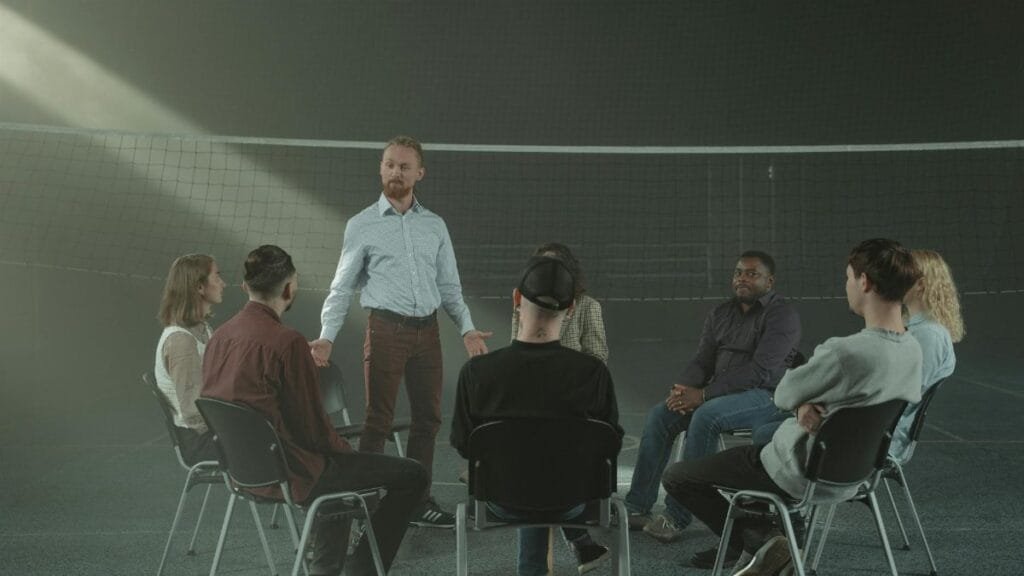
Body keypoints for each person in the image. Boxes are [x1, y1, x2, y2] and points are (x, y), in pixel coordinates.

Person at [662, 238, 924, 576]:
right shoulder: (913, 351)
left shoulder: (844, 352)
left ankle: (768, 546)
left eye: (847, 278)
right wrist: (808, 403)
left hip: (796, 469)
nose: (847, 286)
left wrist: (800, 402)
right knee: (754, 460)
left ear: (864, 282)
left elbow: (783, 393)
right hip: (857, 474)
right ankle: (768, 547)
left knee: (679, 477)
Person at [202, 245, 428, 576]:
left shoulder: (218, 338)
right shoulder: (287, 342)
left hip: (243, 472)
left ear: (245, 288)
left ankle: (330, 566)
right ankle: (361, 569)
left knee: (337, 482)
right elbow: (313, 431)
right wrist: (345, 451)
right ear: (290, 287)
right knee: (413, 474)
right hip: (292, 472)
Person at [309, 136, 492, 527]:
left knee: (428, 421)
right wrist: (327, 335)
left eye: (405, 166)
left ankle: (416, 502)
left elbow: (450, 287)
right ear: (381, 168)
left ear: (419, 174)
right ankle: (366, 504)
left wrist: (468, 329)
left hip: (427, 334)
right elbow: (341, 288)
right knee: (378, 420)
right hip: (386, 330)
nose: (396, 171)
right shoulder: (361, 226)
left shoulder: (435, 225)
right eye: (390, 164)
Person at [450, 256, 623, 576]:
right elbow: (609, 444)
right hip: (575, 501)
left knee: (525, 474)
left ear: (517, 299)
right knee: (549, 473)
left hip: (502, 501)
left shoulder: (477, 372)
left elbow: (464, 443)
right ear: (571, 309)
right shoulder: (593, 373)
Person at [625, 251, 802, 556]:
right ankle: (637, 506)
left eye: (751, 273)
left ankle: (677, 516)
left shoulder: (782, 316)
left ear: (769, 281)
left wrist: (704, 395)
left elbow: (760, 371)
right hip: (721, 392)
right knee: (660, 414)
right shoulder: (721, 313)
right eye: (738, 273)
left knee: (706, 416)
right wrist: (684, 387)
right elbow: (703, 359)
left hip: (767, 395)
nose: (742, 279)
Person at [509, 242, 608, 573]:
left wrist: (567, 378)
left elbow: (597, 358)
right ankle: (582, 543)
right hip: (529, 403)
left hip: (572, 400)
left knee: (539, 467)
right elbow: (516, 352)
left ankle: (571, 549)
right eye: (540, 266)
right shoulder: (522, 305)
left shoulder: (587, 306)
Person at [889, 249, 963, 463]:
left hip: (880, 441)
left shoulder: (929, 335)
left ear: (920, 284)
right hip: (872, 433)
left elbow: (901, 396)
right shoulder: (914, 328)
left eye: (901, 275)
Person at [153, 253, 225, 463]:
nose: (223, 283)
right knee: (276, 445)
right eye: (217, 277)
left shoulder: (202, 329)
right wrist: (233, 431)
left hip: (213, 432)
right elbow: (193, 414)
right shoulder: (181, 342)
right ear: (199, 287)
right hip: (201, 441)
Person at [511, 242, 608, 362]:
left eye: (556, 264)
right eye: (544, 263)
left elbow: (597, 358)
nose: (550, 269)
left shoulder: (588, 306)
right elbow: (515, 348)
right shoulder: (525, 303)